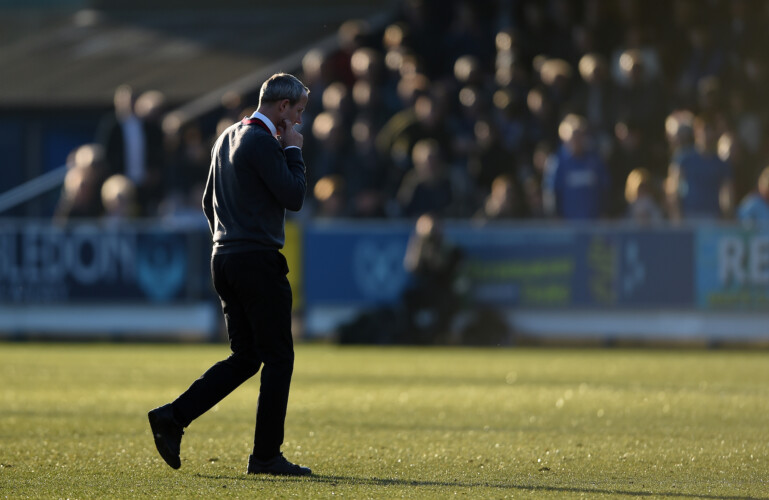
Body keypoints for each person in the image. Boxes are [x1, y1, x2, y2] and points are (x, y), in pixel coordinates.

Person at [148, 73, 312, 477]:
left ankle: (173, 417)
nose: (299, 122)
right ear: (283, 107)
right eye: (298, 112)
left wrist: (229, 238)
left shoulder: (225, 137)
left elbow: (208, 202)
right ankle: (266, 456)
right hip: (257, 259)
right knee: (278, 358)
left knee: (246, 357)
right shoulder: (263, 141)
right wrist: (294, 151)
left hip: (224, 257)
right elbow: (294, 196)